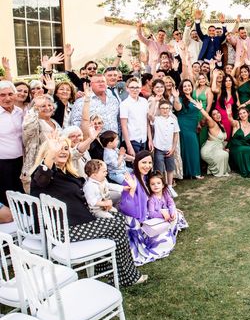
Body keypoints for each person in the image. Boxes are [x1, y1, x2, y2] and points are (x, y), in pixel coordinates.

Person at [30, 134, 145, 285]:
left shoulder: (66, 173)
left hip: (78, 222)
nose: (63, 151)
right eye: (58, 149)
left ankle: (104, 266)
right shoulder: (45, 175)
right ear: (48, 152)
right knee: (116, 224)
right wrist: (52, 153)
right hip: (64, 230)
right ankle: (127, 277)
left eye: (66, 148)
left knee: (117, 218)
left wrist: (103, 203)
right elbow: (42, 178)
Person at [119, 151, 182, 266]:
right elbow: (127, 208)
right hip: (136, 221)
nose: (147, 166)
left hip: (148, 216)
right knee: (166, 241)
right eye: (144, 162)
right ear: (136, 162)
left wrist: (168, 209)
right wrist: (132, 189)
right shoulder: (131, 180)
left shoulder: (145, 178)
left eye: (149, 162)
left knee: (174, 217)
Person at [21, 94, 61, 191]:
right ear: (36, 108)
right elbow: (28, 128)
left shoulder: (54, 122)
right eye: (43, 106)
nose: (47, 108)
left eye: (49, 105)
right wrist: (34, 108)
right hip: (37, 168)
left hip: (54, 167)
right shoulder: (35, 123)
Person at [173, 80, 204, 180]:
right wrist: (176, 97)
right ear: (181, 88)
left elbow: (196, 113)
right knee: (191, 148)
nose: (187, 88)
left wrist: (198, 123)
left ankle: (189, 172)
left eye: (189, 85)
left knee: (191, 148)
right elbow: (178, 108)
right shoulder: (181, 99)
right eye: (184, 86)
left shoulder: (193, 98)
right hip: (184, 125)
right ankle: (194, 172)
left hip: (193, 126)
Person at [0, 81, 24, 205]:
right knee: (7, 196)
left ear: (15, 95)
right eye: (2, 95)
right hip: (3, 164)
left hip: (21, 161)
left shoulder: (20, 112)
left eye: (10, 94)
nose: (7, 98)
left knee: (21, 193)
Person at [149, 99, 180, 195]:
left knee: (170, 168)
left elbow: (176, 135)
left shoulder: (173, 120)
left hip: (169, 148)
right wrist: (155, 101)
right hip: (159, 148)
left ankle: (170, 187)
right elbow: (150, 115)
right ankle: (161, 188)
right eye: (163, 108)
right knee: (159, 169)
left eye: (167, 108)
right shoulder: (157, 119)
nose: (165, 110)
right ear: (159, 109)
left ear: (170, 109)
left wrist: (173, 148)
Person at [195, 103, 231, 177]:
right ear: (212, 117)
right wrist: (201, 109)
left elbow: (221, 141)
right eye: (214, 114)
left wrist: (224, 148)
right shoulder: (212, 124)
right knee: (224, 154)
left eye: (218, 113)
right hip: (208, 151)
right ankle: (216, 170)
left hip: (216, 149)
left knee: (225, 153)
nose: (217, 115)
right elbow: (207, 117)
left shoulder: (221, 125)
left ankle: (215, 169)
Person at [119, 77, 149, 156]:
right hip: (132, 140)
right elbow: (124, 126)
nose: (135, 89)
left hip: (144, 139)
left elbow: (147, 122)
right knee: (134, 166)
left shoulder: (144, 102)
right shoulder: (124, 104)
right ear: (127, 89)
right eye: (132, 87)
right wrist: (129, 146)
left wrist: (150, 140)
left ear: (140, 88)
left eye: (137, 87)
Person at [227, 107, 250, 178]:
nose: (242, 115)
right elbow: (231, 121)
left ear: (248, 113)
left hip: (245, 145)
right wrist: (229, 115)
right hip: (235, 146)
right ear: (239, 116)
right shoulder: (237, 123)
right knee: (242, 149)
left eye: (244, 112)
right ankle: (245, 170)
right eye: (240, 114)